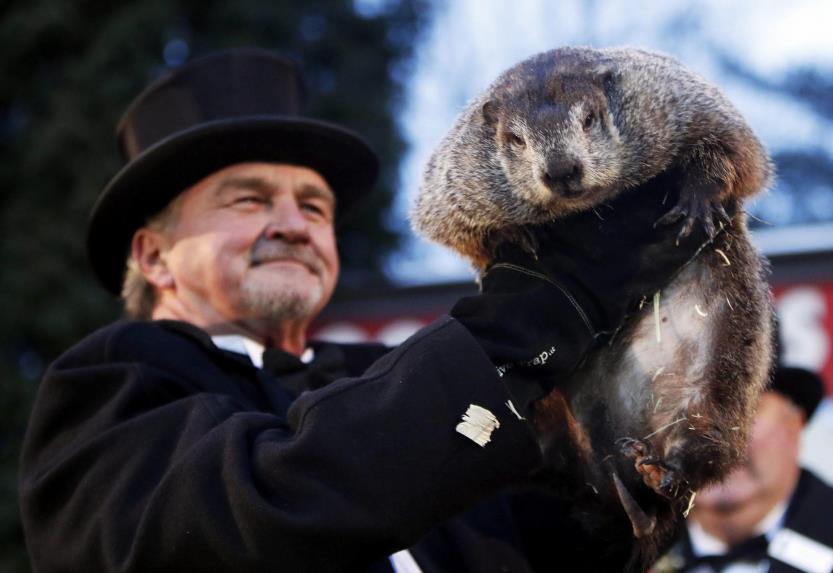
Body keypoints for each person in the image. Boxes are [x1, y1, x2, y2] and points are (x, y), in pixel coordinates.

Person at [19, 48, 709, 573]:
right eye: (248, 200)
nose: (294, 225)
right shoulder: (114, 384)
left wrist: (640, 457)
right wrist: (532, 313)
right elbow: (258, 511)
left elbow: (545, 543)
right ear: (152, 256)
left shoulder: (378, 378)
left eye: (313, 207)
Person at [653, 366, 833, 573]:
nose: (714, 435)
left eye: (743, 406)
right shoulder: (627, 552)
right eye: (684, 411)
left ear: (794, 423)